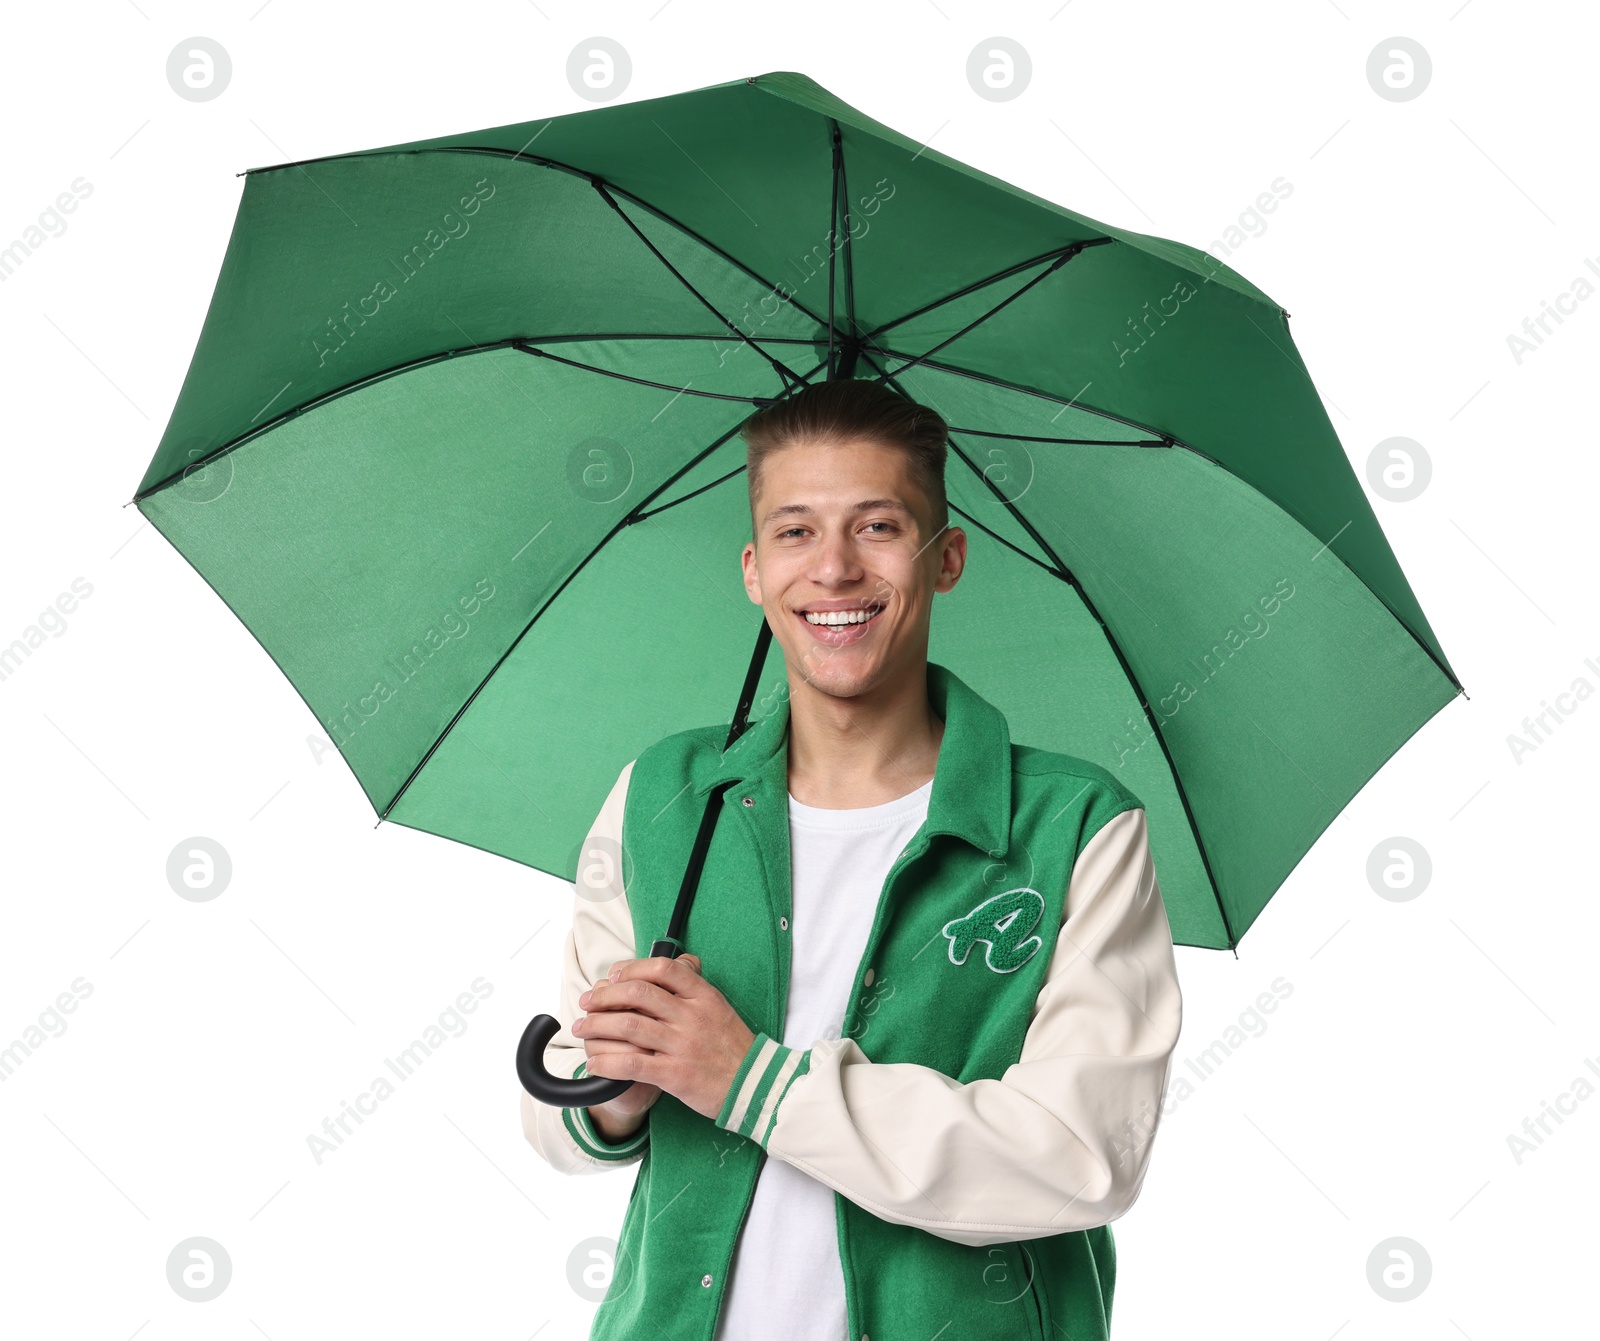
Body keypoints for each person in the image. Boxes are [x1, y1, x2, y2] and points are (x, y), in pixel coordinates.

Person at [521, 378, 1183, 1341]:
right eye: (795, 531)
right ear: (754, 570)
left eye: (876, 526)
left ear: (945, 556)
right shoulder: (663, 796)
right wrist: (616, 1087)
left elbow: (1081, 1154)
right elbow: (561, 1116)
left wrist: (747, 1078)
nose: (831, 570)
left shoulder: (1078, 828)